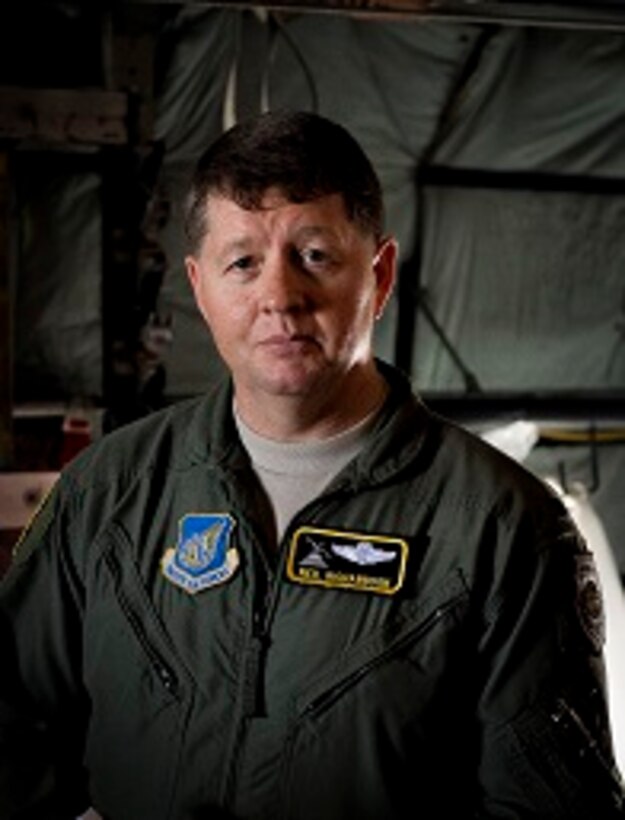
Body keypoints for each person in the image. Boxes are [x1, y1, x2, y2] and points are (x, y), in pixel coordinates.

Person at [0, 110, 623, 820]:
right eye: (243, 263)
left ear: (379, 275)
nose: (279, 297)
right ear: (200, 289)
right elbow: (13, 729)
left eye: (315, 255)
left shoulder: (503, 529)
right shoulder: (108, 492)